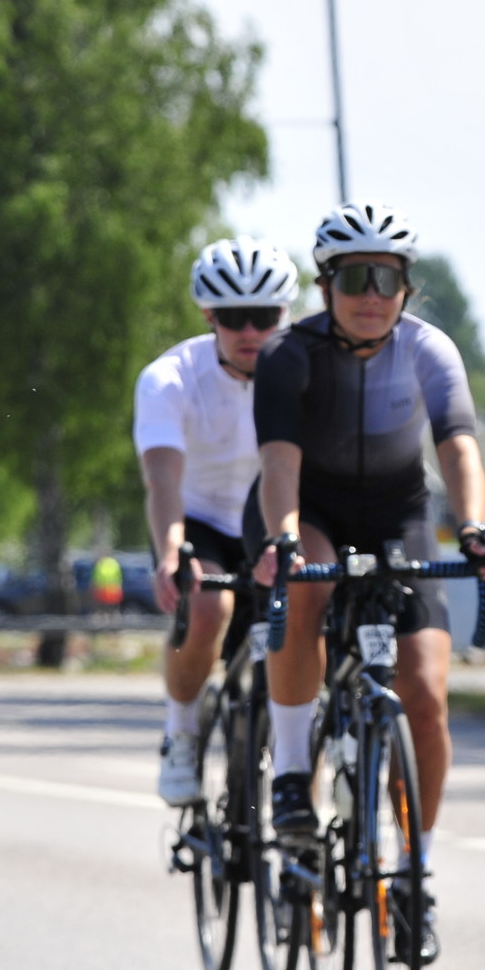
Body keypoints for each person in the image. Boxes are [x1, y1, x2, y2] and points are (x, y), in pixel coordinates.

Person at [250, 201, 485, 963]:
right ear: (325, 284)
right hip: (311, 507)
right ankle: (292, 769)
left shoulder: (429, 349)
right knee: (305, 585)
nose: (371, 294)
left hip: (399, 512)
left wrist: (474, 526)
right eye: (354, 278)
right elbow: (279, 464)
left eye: (387, 278)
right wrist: (283, 538)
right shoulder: (288, 354)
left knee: (425, 696)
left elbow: (458, 448)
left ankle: (415, 872)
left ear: (406, 287)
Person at [137, 238, 298, 805]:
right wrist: (170, 552)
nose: (250, 331)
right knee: (208, 606)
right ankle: (181, 733)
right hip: (199, 520)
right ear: (209, 316)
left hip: (272, 522)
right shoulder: (170, 378)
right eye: (233, 318)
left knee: (313, 612)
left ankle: (305, 771)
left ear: (285, 313)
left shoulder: (304, 372)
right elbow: (162, 478)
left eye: (264, 316)